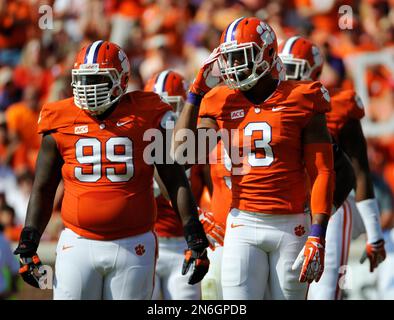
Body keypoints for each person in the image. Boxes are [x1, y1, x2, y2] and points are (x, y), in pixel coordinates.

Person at [13, 41, 209, 300]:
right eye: (83, 79)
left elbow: (173, 178)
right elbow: (43, 187)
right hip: (78, 243)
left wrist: (193, 233)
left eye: (98, 79)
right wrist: (30, 238)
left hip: (132, 243)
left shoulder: (146, 113)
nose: (89, 88)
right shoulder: (59, 117)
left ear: (122, 80)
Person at [173, 17, 335, 300]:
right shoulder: (220, 99)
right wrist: (195, 93)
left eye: (241, 56)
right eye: (229, 58)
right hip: (242, 223)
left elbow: (322, 170)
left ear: (268, 53)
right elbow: (182, 155)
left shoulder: (302, 97)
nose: (233, 65)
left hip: (292, 224)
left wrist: (318, 234)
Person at [279, 36, 386, 300]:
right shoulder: (269, 104)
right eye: (283, 67)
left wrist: (375, 235)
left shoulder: (339, 104)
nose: (285, 74)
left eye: (293, 68)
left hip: (331, 207)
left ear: (312, 71)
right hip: (287, 206)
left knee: (323, 291)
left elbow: (359, 170)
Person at [145, 70, 224, 300]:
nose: (163, 114)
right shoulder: (138, 142)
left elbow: (216, 191)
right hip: (148, 241)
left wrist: (207, 217)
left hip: (185, 243)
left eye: (169, 107)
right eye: (158, 105)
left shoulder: (197, 145)